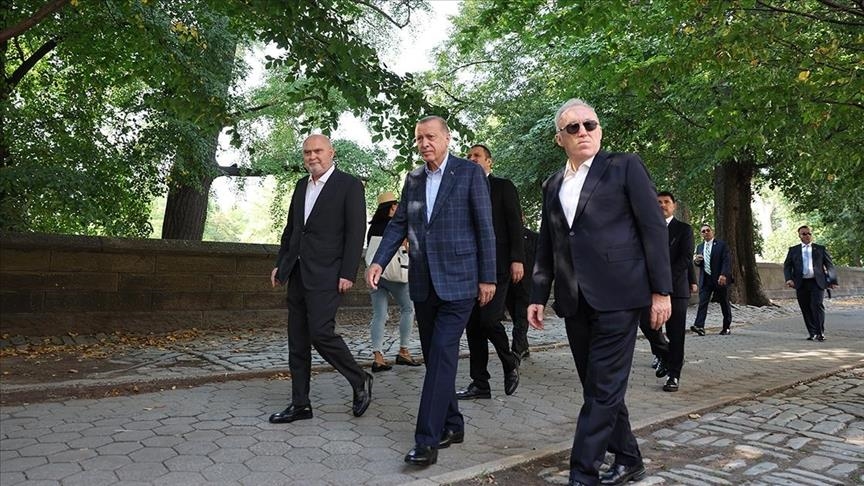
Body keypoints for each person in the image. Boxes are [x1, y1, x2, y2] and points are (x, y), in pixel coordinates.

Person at [528, 98, 672, 486]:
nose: (583, 133)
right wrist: (537, 295)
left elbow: (653, 229)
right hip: (575, 301)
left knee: (603, 388)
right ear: (560, 138)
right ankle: (628, 458)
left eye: (589, 125)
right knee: (598, 388)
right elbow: (549, 243)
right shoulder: (553, 184)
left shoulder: (624, 167)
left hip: (621, 297)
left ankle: (582, 473)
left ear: (600, 130)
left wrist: (662, 292)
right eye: (572, 128)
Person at [365, 116, 496, 467]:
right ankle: (454, 424)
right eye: (419, 138)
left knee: (440, 354)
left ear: (447, 138)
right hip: (423, 284)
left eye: (430, 136)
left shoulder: (469, 174)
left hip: (460, 282)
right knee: (437, 358)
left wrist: (488, 278)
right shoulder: (414, 179)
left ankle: (427, 439)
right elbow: (399, 225)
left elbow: (485, 228)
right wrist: (379, 261)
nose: (424, 143)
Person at [268, 134, 373, 424]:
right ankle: (300, 404)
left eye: (317, 151)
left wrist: (348, 273)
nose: (311, 156)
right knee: (297, 341)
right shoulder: (301, 186)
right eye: (306, 152)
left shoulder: (349, 186)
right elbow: (292, 230)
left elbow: (355, 233)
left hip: (329, 273)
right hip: (298, 272)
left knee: (321, 332)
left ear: (331, 153)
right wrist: (281, 264)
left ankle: (359, 378)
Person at [457, 144, 523, 400]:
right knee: (473, 326)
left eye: (477, 156)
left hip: (499, 264)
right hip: (469, 267)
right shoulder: (461, 188)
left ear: (489, 162)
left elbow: (514, 223)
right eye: (469, 156)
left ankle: (509, 362)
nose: (472, 159)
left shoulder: (503, 187)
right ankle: (480, 383)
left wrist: (517, 258)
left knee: (489, 320)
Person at [639, 191, 698, 392]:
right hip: (647, 290)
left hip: (676, 290)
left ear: (673, 205)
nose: (662, 205)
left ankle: (674, 374)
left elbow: (685, 258)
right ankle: (664, 354)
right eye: (658, 202)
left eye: (666, 202)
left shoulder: (684, 229)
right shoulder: (645, 229)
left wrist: (664, 283)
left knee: (676, 333)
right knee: (646, 323)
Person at [365, 192, 420, 372]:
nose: (398, 208)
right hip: (395, 274)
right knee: (407, 308)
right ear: (391, 208)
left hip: (375, 274)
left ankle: (378, 356)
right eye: (396, 205)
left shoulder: (372, 228)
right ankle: (403, 350)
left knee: (379, 314)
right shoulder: (395, 226)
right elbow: (407, 246)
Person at [783, 225, 837, 341]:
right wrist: (788, 279)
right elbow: (787, 266)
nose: (807, 236)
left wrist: (832, 280)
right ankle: (812, 332)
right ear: (799, 236)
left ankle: (820, 332)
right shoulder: (793, 250)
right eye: (804, 234)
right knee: (805, 307)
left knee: (817, 305)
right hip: (800, 283)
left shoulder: (820, 249)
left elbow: (829, 265)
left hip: (817, 282)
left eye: (809, 233)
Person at [690, 224, 733, 336]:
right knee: (702, 302)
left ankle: (726, 327)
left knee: (724, 303)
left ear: (712, 232)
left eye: (707, 230)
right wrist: (697, 261)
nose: (706, 233)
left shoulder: (721, 245)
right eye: (703, 231)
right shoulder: (699, 247)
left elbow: (726, 261)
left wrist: (723, 274)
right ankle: (699, 326)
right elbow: (698, 264)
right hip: (706, 280)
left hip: (720, 279)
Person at [508, 220, 538, 359]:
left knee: (521, 317)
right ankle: (523, 346)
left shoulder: (533, 238)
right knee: (516, 316)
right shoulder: (505, 237)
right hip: (509, 285)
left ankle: (516, 350)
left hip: (527, 284)